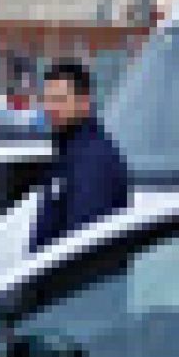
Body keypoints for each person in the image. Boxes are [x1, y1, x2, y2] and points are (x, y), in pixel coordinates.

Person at [31, 60, 131, 253]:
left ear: (84, 102)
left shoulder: (93, 159)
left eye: (60, 99)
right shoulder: (67, 150)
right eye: (47, 99)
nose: (50, 107)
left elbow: (81, 242)